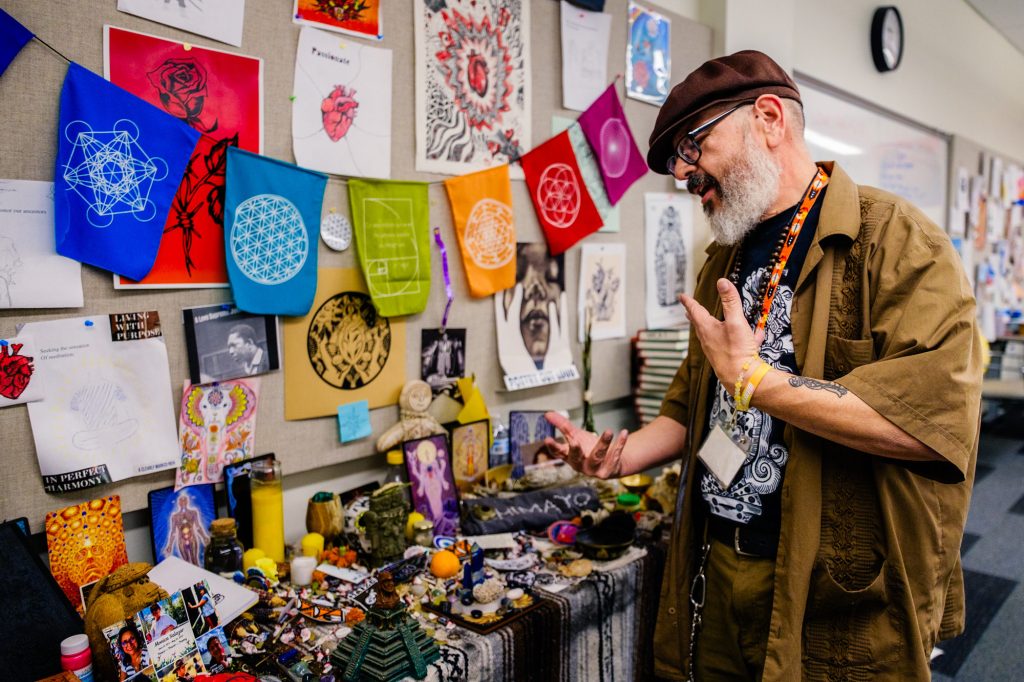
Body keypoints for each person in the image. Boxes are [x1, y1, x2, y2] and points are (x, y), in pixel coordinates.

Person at [545, 50, 981, 681]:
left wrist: (761, 383)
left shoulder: (898, 242)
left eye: (693, 148)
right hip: (717, 569)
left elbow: (928, 424)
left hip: (832, 589)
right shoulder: (724, 258)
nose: (686, 177)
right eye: (676, 166)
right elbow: (693, 402)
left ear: (770, 118)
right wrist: (620, 456)